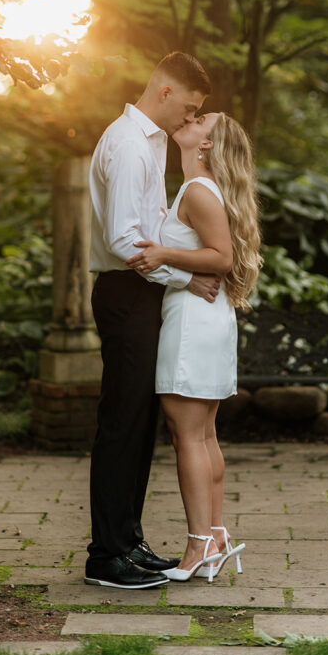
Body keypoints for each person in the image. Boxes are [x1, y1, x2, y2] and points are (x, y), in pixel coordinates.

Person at [85, 52, 221, 590]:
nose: (190, 119)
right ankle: (106, 556)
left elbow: (152, 225)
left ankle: (128, 539)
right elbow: (124, 241)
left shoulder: (154, 143)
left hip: (143, 291)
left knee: (141, 422)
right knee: (122, 422)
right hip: (125, 292)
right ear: (165, 92)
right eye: (189, 107)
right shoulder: (126, 143)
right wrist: (188, 277)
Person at [126, 112, 262, 582]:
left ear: (205, 145)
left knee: (187, 434)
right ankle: (216, 535)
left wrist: (163, 253)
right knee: (203, 435)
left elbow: (221, 257)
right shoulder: (199, 188)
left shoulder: (201, 190)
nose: (190, 118)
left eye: (201, 119)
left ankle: (198, 545)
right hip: (206, 318)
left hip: (192, 322)